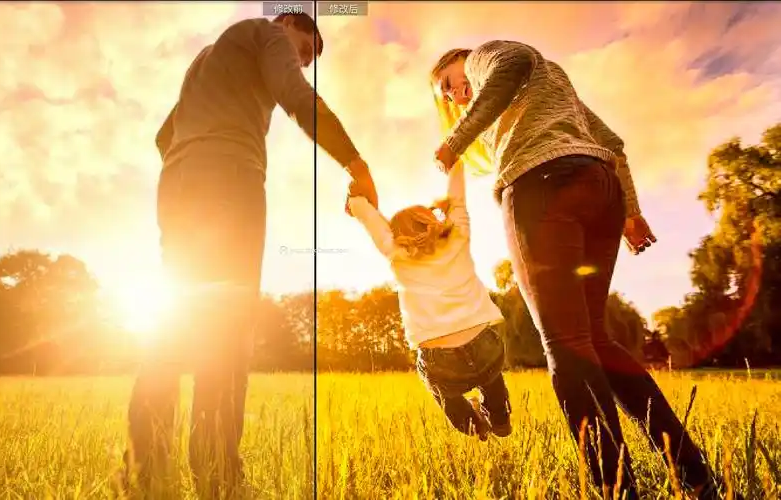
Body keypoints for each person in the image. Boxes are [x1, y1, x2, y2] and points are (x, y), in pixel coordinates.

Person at [428, 41, 723, 498]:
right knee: (594, 341)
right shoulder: (549, 88)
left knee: (565, 345)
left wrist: (454, 140)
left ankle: (616, 489)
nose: (452, 93)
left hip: (541, 187)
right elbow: (612, 143)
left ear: (462, 61)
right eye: (445, 95)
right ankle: (696, 477)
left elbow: (513, 63)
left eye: (448, 81)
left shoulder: (487, 56)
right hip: (599, 187)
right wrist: (630, 211)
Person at [127, 12, 379, 498]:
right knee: (227, 329)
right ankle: (218, 477)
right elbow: (296, 97)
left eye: (306, 60)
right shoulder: (266, 33)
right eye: (303, 50)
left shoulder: (208, 60)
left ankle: (145, 473)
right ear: (287, 24)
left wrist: (192, 165)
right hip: (230, 180)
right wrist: (356, 162)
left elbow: (164, 136)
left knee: (172, 324)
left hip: (177, 183)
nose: (300, 62)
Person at [347, 161, 511, 441]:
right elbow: (457, 195)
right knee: (491, 375)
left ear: (396, 234)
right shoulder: (457, 233)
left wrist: (356, 198)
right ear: (431, 220)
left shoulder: (396, 252)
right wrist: (454, 162)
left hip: (439, 358)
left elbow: (367, 216)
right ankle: (499, 418)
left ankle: (473, 425)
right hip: (483, 344)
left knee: (444, 392)